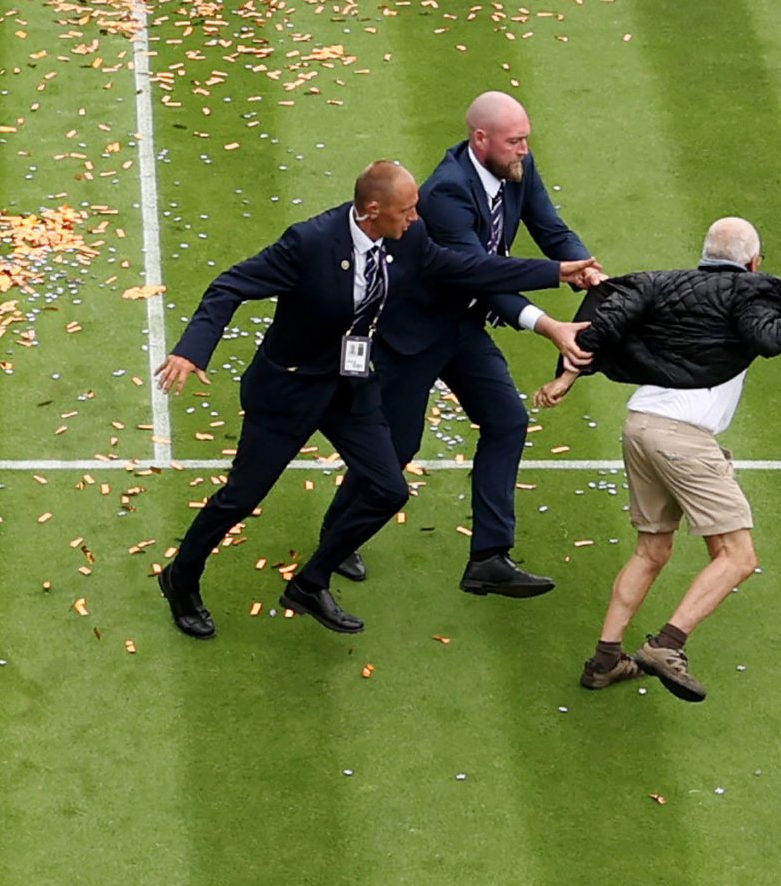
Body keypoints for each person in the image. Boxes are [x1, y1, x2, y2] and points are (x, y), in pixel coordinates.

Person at [153, 161, 593, 640]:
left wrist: (553, 272)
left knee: (388, 488)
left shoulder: (410, 238)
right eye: (405, 211)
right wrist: (191, 349)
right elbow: (230, 286)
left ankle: (310, 582)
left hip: (348, 385)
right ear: (370, 211)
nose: (415, 219)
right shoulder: (309, 243)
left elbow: (467, 267)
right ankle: (181, 577)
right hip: (290, 389)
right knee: (242, 496)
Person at [531, 217, 781, 702]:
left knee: (652, 550)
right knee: (738, 556)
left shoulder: (662, 283)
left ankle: (605, 662)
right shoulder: (749, 292)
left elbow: (601, 325)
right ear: (754, 263)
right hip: (683, 440)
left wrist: (565, 380)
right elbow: (770, 338)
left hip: (640, 427)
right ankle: (667, 645)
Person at [319, 91, 604, 597]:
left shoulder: (518, 166)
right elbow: (481, 275)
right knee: (397, 448)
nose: (524, 149)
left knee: (507, 421)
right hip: (412, 335)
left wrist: (586, 268)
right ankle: (337, 539)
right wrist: (550, 325)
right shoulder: (447, 194)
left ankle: (489, 556)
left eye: (525, 139)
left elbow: (549, 225)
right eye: (515, 140)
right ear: (481, 139)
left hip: (462, 329)